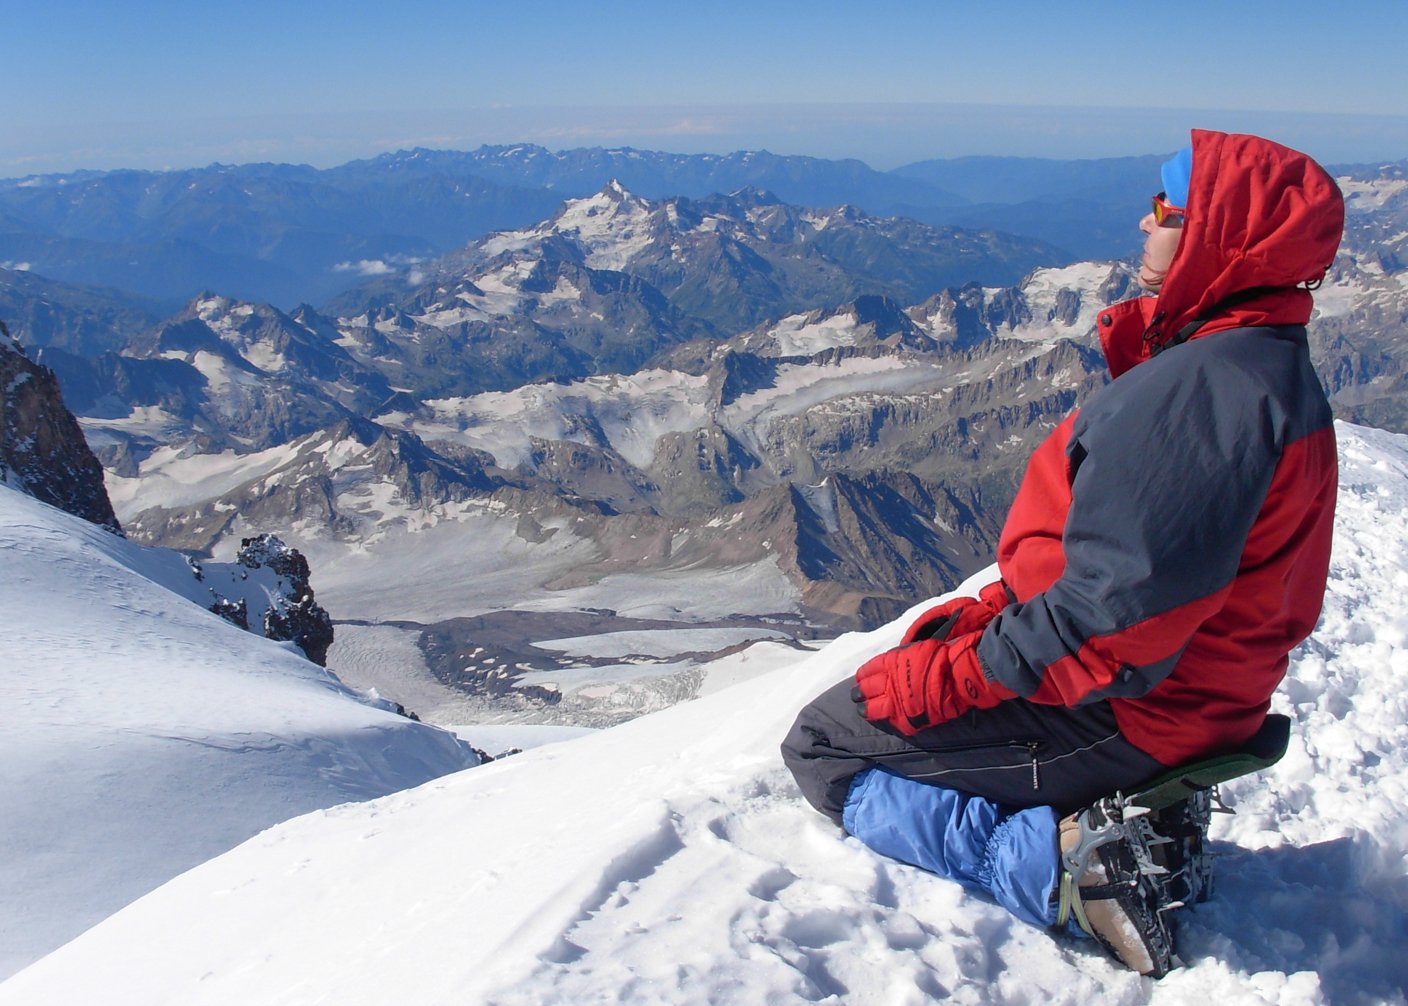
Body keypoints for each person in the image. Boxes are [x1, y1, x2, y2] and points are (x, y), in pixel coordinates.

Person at [781, 129, 1344, 974]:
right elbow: (1144, 573)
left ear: (1218, 234)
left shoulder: (1203, 392)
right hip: (1188, 693)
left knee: (823, 743)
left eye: (1164, 209)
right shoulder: (1255, 366)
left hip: (1134, 708)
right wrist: (998, 615)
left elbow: (1109, 622)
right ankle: (1123, 824)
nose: (1141, 223)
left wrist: (953, 676)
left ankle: (1064, 877)